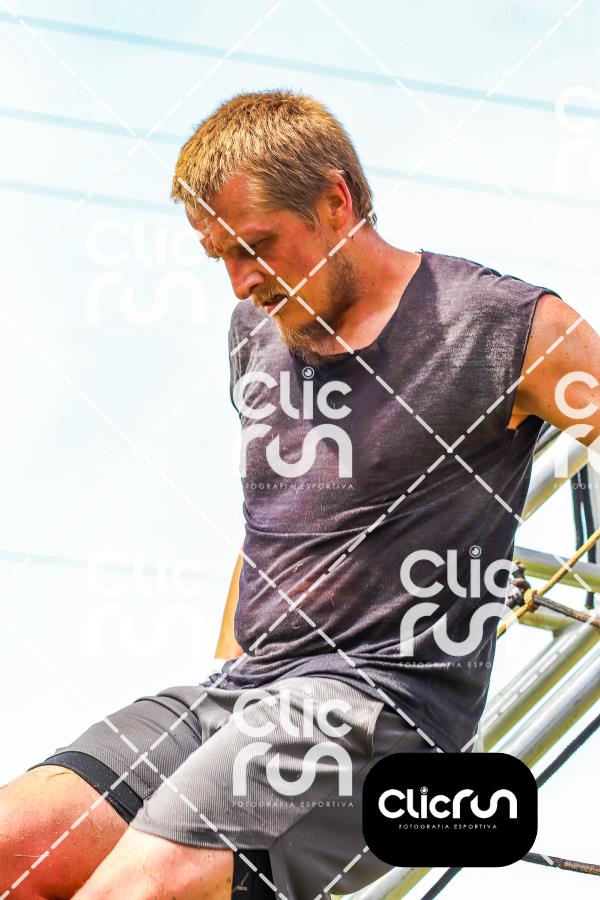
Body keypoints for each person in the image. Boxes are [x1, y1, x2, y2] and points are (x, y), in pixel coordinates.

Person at [1, 90, 599, 900]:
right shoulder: (257, 333)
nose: (241, 282)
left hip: (379, 713)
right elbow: (272, 518)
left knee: (132, 892)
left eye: (257, 247)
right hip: (243, 694)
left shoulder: (507, 326)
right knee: (14, 846)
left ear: (336, 201)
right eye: (219, 255)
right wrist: (231, 666)